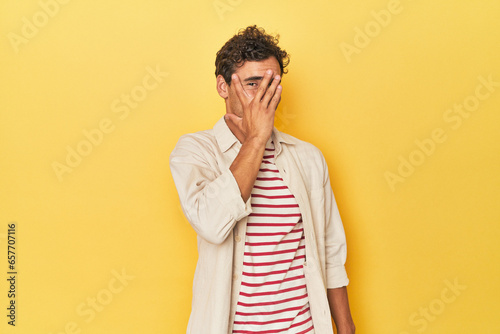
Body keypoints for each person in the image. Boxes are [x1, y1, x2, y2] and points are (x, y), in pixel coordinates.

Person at [170, 25, 355, 334]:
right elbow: (212, 224)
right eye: (253, 83)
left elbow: (330, 250)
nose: (264, 95)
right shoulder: (195, 151)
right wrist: (256, 139)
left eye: (272, 84)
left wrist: (347, 329)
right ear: (222, 86)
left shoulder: (308, 158)